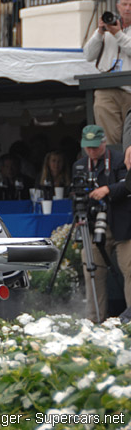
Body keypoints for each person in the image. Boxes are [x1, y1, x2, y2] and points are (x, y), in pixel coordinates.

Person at [73, 124, 131, 323]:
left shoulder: (119, 159)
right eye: (88, 147)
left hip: (123, 225)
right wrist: (79, 218)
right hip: (94, 223)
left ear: (104, 142)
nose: (91, 151)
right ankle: (94, 319)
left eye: (95, 147)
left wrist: (108, 189)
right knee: (92, 268)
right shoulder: (80, 165)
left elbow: (127, 184)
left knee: (130, 268)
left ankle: (130, 318)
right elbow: (78, 195)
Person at [83, 0, 131, 146]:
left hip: (129, 90)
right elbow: (88, 55)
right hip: (107, 89)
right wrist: (100, 32)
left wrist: (118, 34)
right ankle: (115, 168)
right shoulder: (107, 30)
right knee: (110, 140)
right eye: (124, 4)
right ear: (117, 6)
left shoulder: (116, 32)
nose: (127, 8)